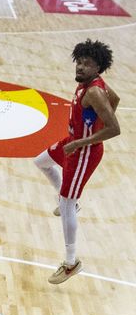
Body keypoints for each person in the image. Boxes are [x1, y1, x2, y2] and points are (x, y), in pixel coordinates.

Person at [33, 40, 121, 284]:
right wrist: (92, 123)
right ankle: (68, 204)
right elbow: (116, 99)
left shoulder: (93, 91)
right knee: (40, 162)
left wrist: (83, 141)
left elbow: (114, 128)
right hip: (73, 142)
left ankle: (71, 263)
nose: (80, 67)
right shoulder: (89, 85)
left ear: (98, 68)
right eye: (79, 62)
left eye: (87, 64)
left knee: (67, 199)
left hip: (83, 151)